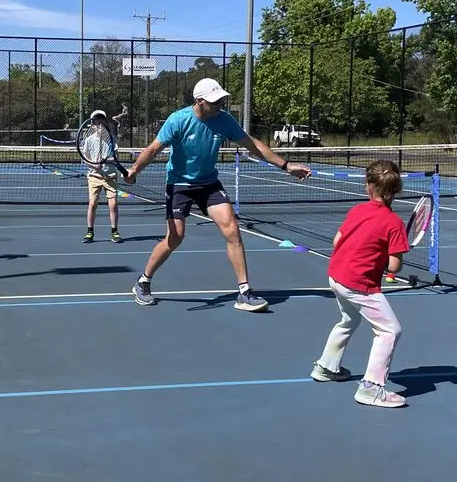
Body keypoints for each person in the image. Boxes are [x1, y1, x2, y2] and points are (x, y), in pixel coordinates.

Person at [124, 78, 311, 311]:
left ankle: (244, 292)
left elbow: (252, 144)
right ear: (199, 102)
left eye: (221, 100)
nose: (219, 105)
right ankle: (143, 281)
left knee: (232, 228)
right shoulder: (178, 120)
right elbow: (153, 149)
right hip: (179, 184)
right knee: (175, 237)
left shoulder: (224, 121)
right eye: (214, 102)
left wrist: (286, 166)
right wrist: (134, 170)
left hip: (209, 183)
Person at [310, 159, 409, 408]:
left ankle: (326, 367)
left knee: (349, 320)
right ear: (396, 189)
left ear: (368, 186)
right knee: (389, 330)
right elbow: (395, 267)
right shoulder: (394, 224)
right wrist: (390, 261)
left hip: (336, 276)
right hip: (358, 284)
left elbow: (336, 241)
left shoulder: (357, 210)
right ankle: (371, 387)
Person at [81, 109, 121, 244]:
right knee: (92, 203)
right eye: (96, 120)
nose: (98, 123)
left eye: (101, 120)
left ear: (104, 121)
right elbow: (84, 158)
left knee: (113, 203)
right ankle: (90, 232)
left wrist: (104, 161)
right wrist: (93, 165)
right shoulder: (88, 140)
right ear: (92, 123)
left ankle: (114, 231)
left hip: (110, 175)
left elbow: (115, 158)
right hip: (94, 176)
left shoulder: (112, 139)